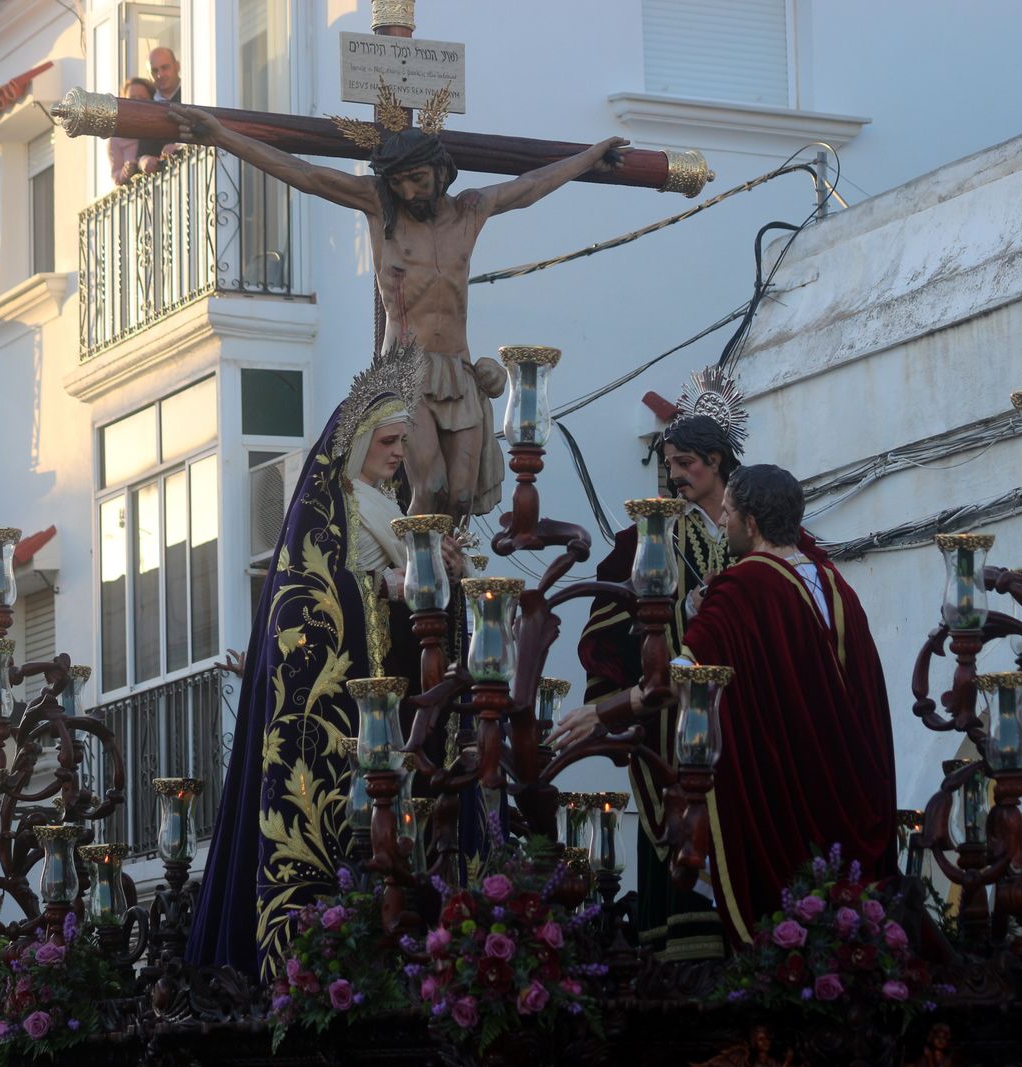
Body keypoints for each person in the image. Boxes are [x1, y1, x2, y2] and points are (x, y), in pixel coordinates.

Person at [165, 89, 627, 519]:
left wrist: (590, 157)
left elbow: (531, 185)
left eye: (418, 179)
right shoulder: (379, 207)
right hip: (405, 370)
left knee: (462, 498)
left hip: (459, 370)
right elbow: (305, 175)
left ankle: (452, 587)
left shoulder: (469, 211)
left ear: (441, 171)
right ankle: (415, 585)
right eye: (400, 182)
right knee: (430, 485)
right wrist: (223, 136)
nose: (409, 193)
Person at [185, 343, 462, 977]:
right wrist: (389, 588)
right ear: (359, 436)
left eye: (401, 441)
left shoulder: (387, 508)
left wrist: (440, 576)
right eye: (388, 439)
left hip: (393, 703)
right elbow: (298, 603)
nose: (398, 452)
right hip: (349, 711)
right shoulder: (330, 508)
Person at [553, 464, 897, 946]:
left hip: (786, 798)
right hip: (848, 794)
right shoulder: (836, 586)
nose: (724, 523)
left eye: (729, 514)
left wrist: (603, 710)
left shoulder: (743, 588)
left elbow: (679, 679)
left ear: (750, 524)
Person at [577, 370, 747, 962]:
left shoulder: (757, 529)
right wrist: (622, 697)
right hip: (669, 729)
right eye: (668, 463)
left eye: (686, 463)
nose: (674, 475)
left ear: (718, 461)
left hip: (746, 718)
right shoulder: (645, 539)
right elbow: (602, 633)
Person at [108, 77, 158, 185]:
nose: (137, 103)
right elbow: (116, 177)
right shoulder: (117, 137)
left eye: (142, 99)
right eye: (132, 98)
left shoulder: (158, 127)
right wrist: (126, 172)